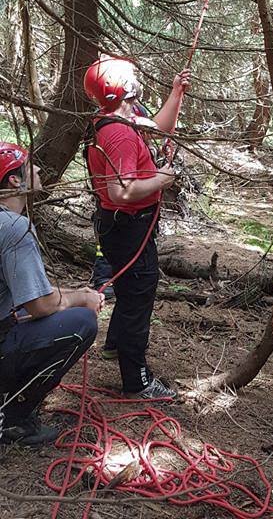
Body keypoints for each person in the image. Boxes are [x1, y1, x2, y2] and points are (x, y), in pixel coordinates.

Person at [83, 56, 190, 400]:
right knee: (138, 298)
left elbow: (159, 127)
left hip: (121, 227)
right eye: (130, 77)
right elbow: (122, 190)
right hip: (128, 227)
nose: (136, 79)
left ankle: (115, 345)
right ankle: (137, 382)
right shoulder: (119, 133)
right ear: (119, 85)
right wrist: (163, 179)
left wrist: (175, 92)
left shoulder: (113, 119)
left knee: (130, 293)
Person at [0, 143, 103, 447]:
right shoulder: (14, 229)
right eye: (30, 166)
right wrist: (81, 299)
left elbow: (26, 297)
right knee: (82, 322)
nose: (37, 170)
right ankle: (14, 419)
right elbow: (40, 303)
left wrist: (74, 292)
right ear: (14, 181)